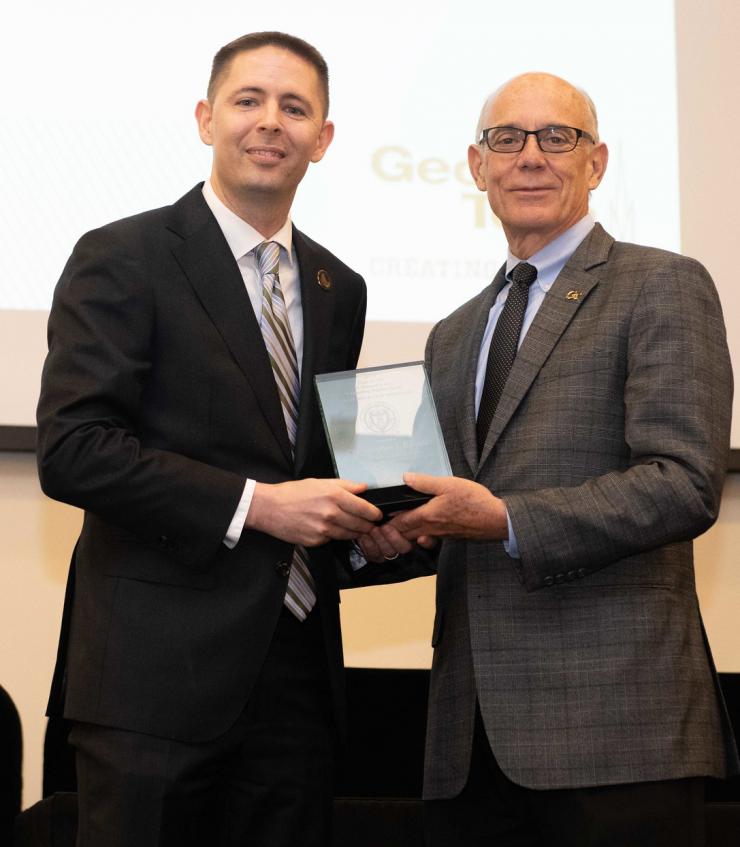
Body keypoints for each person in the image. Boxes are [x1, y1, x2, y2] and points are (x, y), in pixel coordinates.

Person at [360, 72, 739, 846]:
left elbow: (685, 482)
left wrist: (502, 518)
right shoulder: (452, 332)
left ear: (596, 162)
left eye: (555, 137)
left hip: (617, 735)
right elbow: (450, 513)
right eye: (507, 138)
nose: (529, 156)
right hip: (468, 746)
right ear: (477, 167)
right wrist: (389, 532)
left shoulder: (661, 284)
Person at [36, 31, 387, 847]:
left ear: (323, 139)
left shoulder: (342, 287)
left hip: (296, 688)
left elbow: (321, 474)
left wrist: (379, 530)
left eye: (295, 107)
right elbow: (75, 447)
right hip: (150, 691)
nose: (271, 122)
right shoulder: (123, 256)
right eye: (248, 100)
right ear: (205, 118)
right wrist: (258, 506)